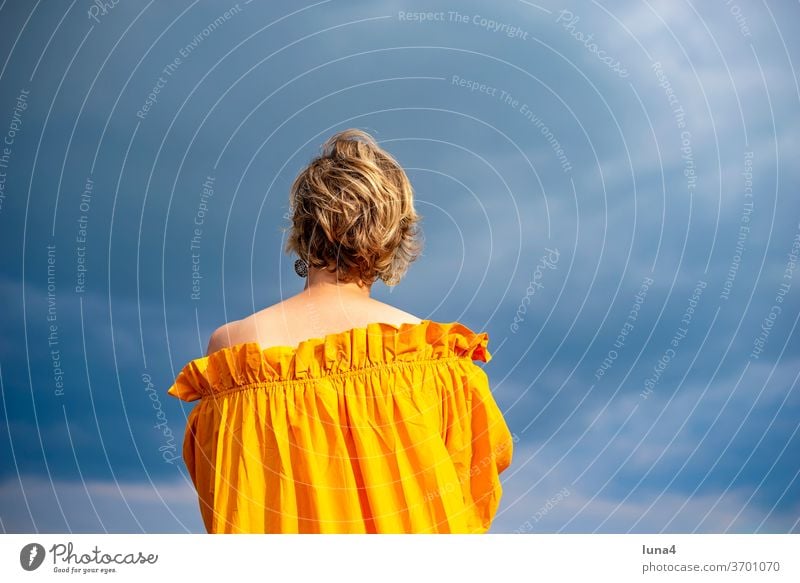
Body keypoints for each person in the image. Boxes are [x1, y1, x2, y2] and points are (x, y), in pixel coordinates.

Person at [167, 128, 513, 533]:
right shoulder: (437, 360)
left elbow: (222, 498)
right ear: (394, 232)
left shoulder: (236, 353)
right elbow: (470, 497)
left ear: (302, 226)